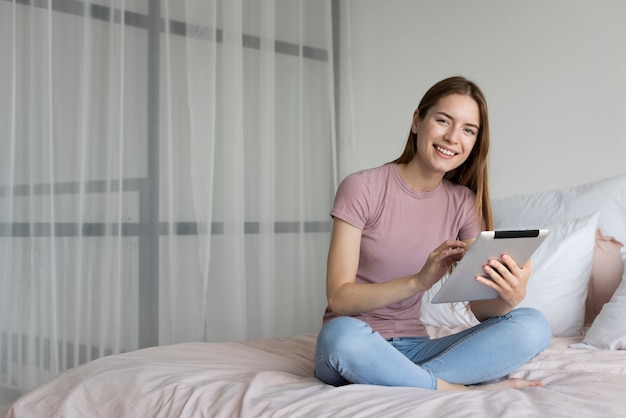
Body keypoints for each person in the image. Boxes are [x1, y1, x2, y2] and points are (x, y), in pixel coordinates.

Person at [314, 75, 551, 391]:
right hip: (357, 344)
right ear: (417, 121)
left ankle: (410, 380)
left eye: (468, 130)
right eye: (443, 121)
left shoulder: (463, 202)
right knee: (339, 336)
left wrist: (509, 296)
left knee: (533, 325)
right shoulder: (362, 188)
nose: (453, 137)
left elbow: (482, 310)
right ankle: (453, 389)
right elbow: (339, 298)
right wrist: (418, 281)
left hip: (416, 350)